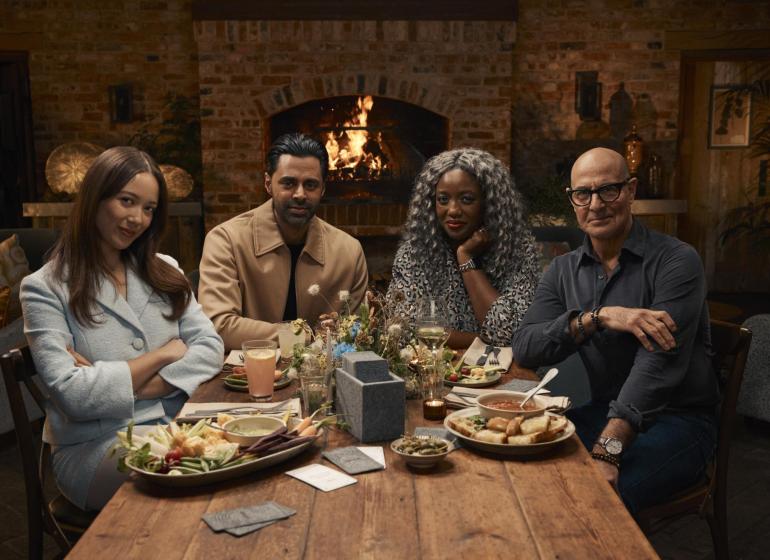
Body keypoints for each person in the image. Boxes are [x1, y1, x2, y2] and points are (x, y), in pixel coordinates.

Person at [512, 147, 719, 514]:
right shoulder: (562, 271)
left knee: (598, 498)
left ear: (631, 190)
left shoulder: (677, 260)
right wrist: (598, 316)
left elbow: (657, 368)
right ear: (572, 201)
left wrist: (608, 450)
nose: (596, 204)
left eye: (609, 189)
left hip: (680, 423)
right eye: (583, 194)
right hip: (604, 412)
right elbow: (526, 348)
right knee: (519, 458)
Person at [20, 147, 224, 511]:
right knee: (199, 474)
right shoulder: (44, 287)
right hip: (94, 449)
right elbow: (73, 395)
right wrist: (163, 355)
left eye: (148, 208)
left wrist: (127, 385)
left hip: (179, 426)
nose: (137, 218)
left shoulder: (165, 270)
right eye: (126, 201)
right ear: (95, 198)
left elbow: (210, 346)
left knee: (243, 452)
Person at [198, 133, 368, 350]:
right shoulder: (226, 240)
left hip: (324, 379)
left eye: (310, 185)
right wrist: (304, 335)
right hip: (244, 376)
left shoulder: (349, 252)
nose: (300, 194)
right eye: (288, 183)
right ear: (268, 183)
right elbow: (218, 326)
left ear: (323, 189)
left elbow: (359, 334)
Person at [386, 148, 539, 347]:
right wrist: (481, 341)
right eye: (443, 199)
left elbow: (510, 333)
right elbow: (403, 331)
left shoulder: (518, 251)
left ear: (489, 203)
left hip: (506, 371)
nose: (453, 210)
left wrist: (466, 258)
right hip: (436, 369)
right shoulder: (415, 253)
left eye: (467, 199)